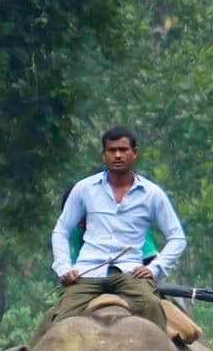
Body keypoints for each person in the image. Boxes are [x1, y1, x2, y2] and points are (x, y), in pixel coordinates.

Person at [41, 126, 186, 337]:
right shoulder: (84, 189)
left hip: (130, 275)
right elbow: (61, 230)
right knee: (57, 325)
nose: (117, 155)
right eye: (111, 150)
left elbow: (177, 237)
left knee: (152, 310)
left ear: (134, 153)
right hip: (88, 273)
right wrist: (64, 268)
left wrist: (155, 268)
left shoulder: (152, 194)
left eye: (123, 149)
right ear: (104, 154)